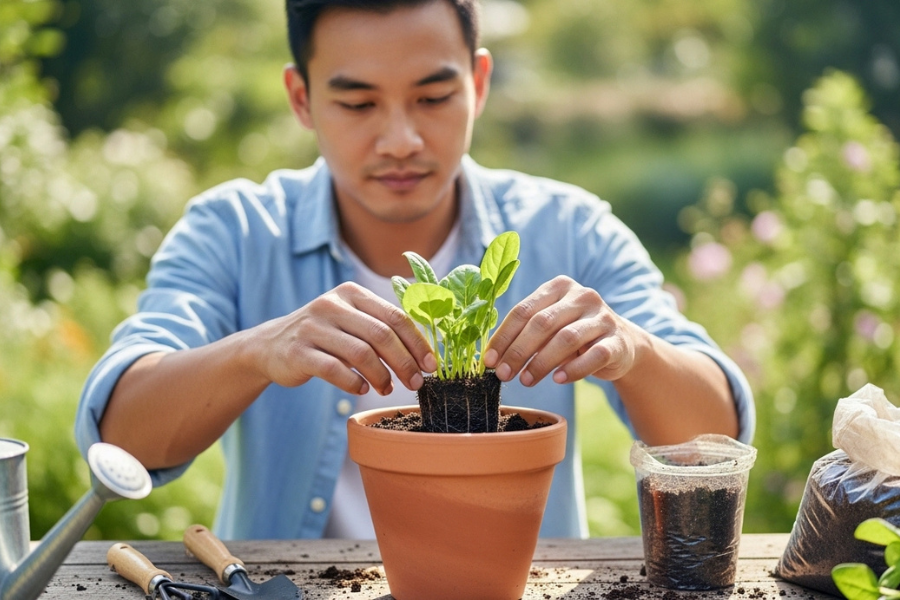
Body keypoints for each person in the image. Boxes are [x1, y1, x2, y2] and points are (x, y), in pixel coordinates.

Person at [75, 0, 755, 540]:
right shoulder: (235, 230)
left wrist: (631, 350)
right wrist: (258, 350)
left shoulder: (568, 228)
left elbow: (712, 444)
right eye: (358, 103)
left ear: (479, 83)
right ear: (302, 98)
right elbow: (120, 441)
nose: (400, 139)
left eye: (432, 98)